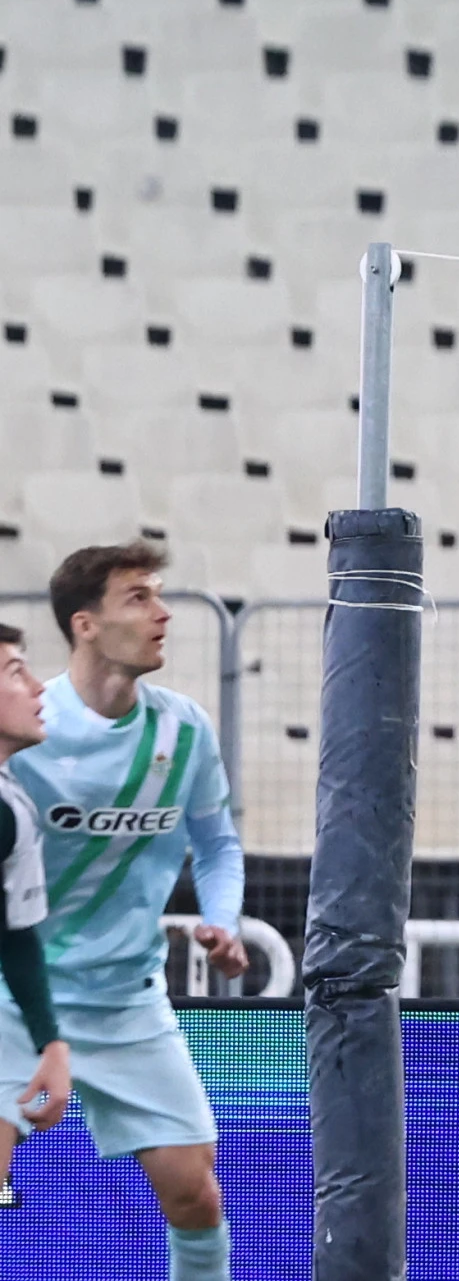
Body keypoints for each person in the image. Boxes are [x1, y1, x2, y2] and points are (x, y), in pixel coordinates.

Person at [1, 543, 246, 1280]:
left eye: (160, 594)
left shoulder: (185, 730)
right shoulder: (28, 729)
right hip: (17, 998)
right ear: (85, 623)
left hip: (127, 1001)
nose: (163, 613)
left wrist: (223, 920)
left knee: (195, 1192)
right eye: (139, 597)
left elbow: (218, 845)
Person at [0, 623, 72, 1198]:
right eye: (14, 672)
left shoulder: (14, 808)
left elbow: (16, 938)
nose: (38, 687)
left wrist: (51, 1042)